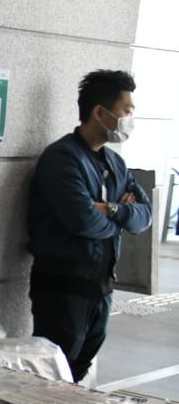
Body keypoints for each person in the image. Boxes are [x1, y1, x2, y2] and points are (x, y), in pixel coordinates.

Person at [27, 69, 152, 383]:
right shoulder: (62, 158)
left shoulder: (114, 163)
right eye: (127, 111)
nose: (130, 119)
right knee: (51, 376)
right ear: (100, 112)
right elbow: (82, 219)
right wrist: (120, 219)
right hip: (62, 289)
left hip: (100, 289)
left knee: (77, 375)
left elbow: (145, 215)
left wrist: (111, 210)